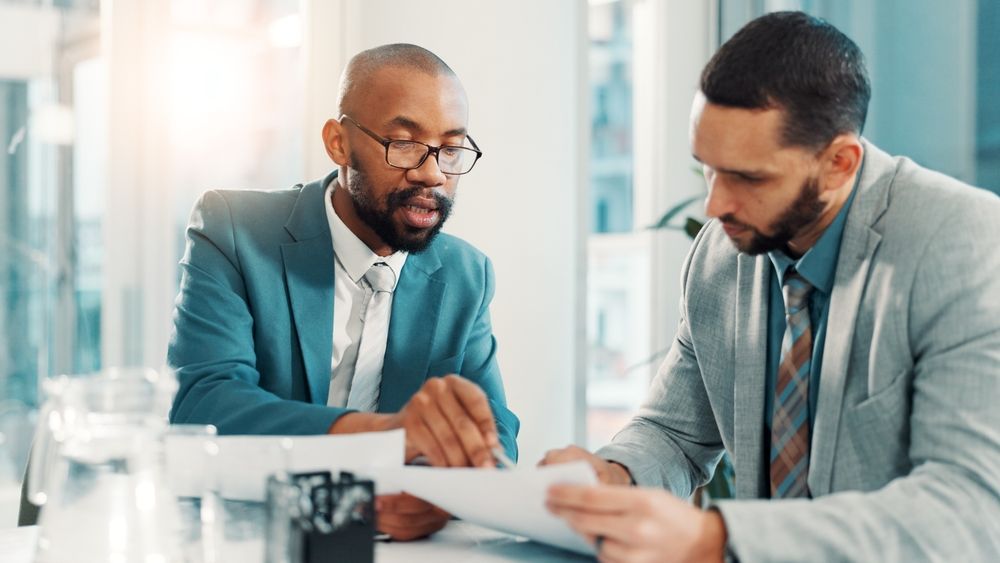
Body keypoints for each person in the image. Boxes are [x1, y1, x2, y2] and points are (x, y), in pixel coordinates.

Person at [542, 11, 1000, 561]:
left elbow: (969, 507)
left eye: (748, 177)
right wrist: (613, 476)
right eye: (708, 170)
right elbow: (675, 434)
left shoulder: (963, 242)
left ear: (838, 163)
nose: (715, 206)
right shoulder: (722, 253)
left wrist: (719, 539)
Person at [167, 43, 519, 541]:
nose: (433, 173)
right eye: (403, 143)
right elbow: (204, 408)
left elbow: (493, 435)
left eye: (452, 148)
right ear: (338, 143)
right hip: (246, 538)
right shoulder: (234, 231)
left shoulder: (466, 274)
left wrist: (439, 493)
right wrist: (386, 443)